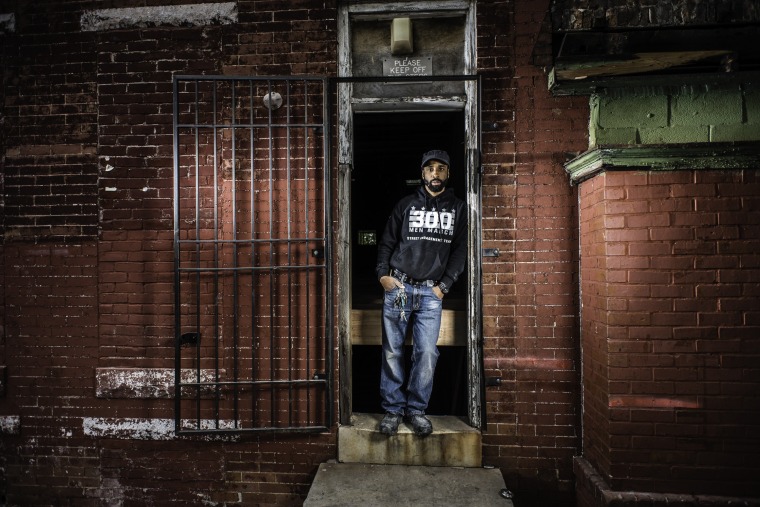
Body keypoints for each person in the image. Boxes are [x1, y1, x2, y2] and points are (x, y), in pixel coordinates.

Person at [375, 149, 468, 437]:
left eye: (441, 168)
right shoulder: (405, 205)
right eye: (430, 168)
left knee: (427, 352)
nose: (435, 173)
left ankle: (416, 410)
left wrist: (445, 286)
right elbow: (387, 242)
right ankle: (392, 410)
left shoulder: (459, 209)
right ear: (423, 173)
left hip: (431, 293)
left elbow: (461, 251)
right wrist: (383, 276)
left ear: (448, 173)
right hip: (400, 287)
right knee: (392, 351)